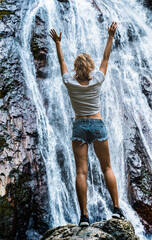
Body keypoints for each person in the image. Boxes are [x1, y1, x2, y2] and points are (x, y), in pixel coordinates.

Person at [49, 21, 125, 227]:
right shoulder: (97, 79)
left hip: (79, 128)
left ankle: (83, 216)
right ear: (91, 67)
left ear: (76, 68)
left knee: (81, 172)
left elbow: (61, 61)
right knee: (107, 167)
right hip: (97, 124)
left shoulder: (69, 81)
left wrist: (58, 43)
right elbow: (106, 57)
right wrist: (110, 36)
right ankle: (117, 209)